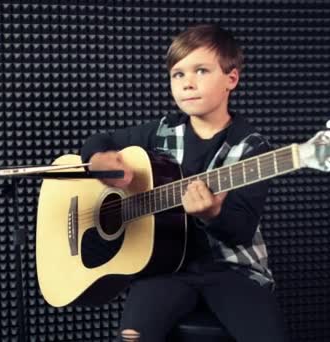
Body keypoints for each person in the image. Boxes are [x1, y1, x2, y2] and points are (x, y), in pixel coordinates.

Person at [80, 24, 289, 342]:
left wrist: (212, 214)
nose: (187, 83)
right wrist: (100, 158)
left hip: (232, 269)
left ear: (231, 79)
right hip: (164, 268)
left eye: (201, 71)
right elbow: (101, 139)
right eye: (178, 74)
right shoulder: (162, 130)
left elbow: (240, 229)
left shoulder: (250, 146)